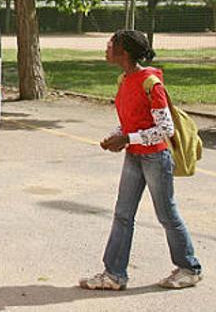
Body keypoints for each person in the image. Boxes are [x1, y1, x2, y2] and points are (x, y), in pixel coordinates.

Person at [80, 30, 203, 291]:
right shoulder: (124, 79)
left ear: (123, 51)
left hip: (156, 157)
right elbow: (131, 119)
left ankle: (189, 268)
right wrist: (118, 135)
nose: (106, 48)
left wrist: (128, 139)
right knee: (123, 214)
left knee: (166, 214)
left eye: (110, 44)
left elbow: (165, 129)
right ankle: (114, 275)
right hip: (135, 155)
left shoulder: (150, 83)